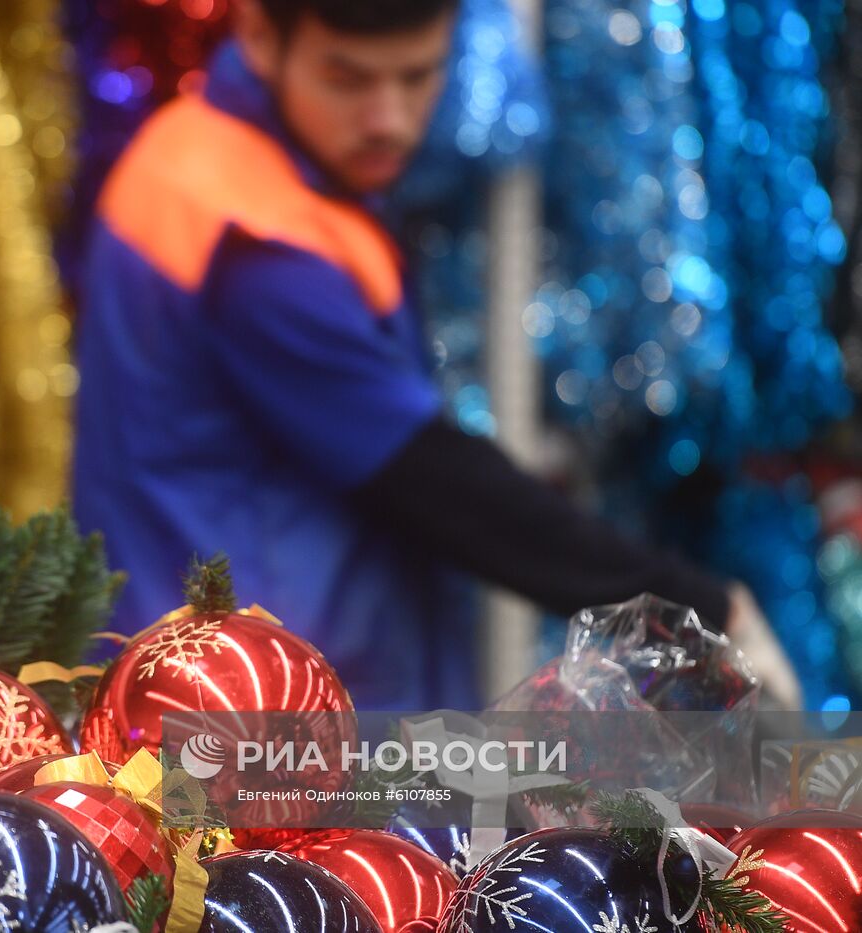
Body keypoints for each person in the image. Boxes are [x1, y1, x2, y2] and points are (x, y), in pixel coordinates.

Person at [71, 0, 803, 709]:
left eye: (418, 76)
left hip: (236, 678)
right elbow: (439, 486)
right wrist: (700, 610)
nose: (389, 118)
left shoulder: (203, 155)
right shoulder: (258, 244)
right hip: (257, 714)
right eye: (349, 79)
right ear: (262, 35)